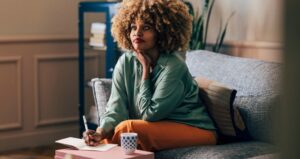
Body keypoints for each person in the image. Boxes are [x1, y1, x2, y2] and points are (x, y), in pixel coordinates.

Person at [83, 0, 217, 151]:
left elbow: (149, 114)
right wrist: (100, 133)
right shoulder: (125, 62)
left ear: (161, 31)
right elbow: (116, 109)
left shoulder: (174, 66)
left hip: (195, 129)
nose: (137, 33)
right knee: (112, 133)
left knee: (128, 129)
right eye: (133, 27)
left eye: (146, 27)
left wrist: (145, 72)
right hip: (156, 127)